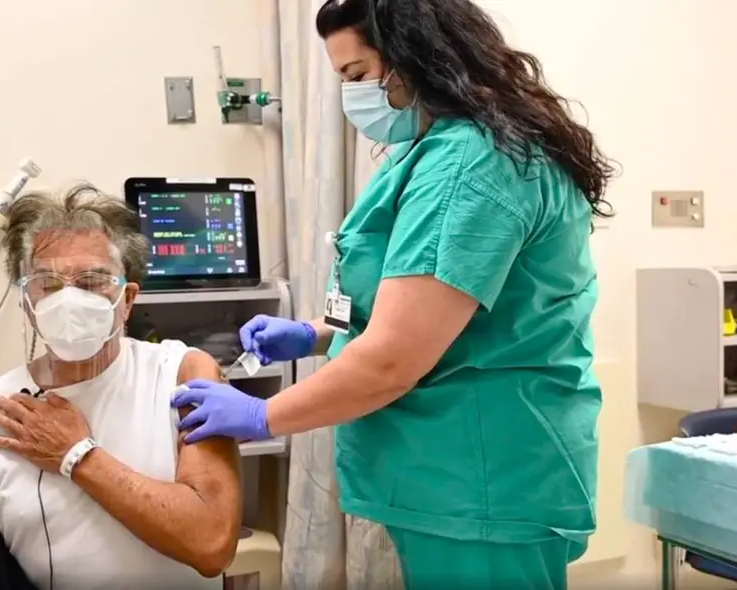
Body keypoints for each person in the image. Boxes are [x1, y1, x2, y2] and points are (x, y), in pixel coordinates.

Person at [170, 0, 616, 588]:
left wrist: (262, 414)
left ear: (416, 57)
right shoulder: (435, 151)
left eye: (357, 75)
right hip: (456, 470)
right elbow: (425, 313)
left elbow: (393, 357)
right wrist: (313, 334)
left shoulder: (471, 164)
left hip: (479, 474)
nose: (351, 95)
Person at [0, 183, 242, 590]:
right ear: (27, 303)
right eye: (47, 283)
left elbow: (212, 544)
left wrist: (77, 455)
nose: (69, 300)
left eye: (92, 281)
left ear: (127, 300)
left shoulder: (184, 375)